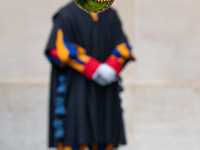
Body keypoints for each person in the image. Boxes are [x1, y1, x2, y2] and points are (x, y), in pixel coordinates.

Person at [44, 1, 135, 150]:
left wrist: (111, 68)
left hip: (106, 92)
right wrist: (93, 68)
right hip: (75, 90)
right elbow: (56, 49)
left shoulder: (111, 14)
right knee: (73, 138)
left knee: (106, 138)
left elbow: (123, 46)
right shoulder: (66, 14)